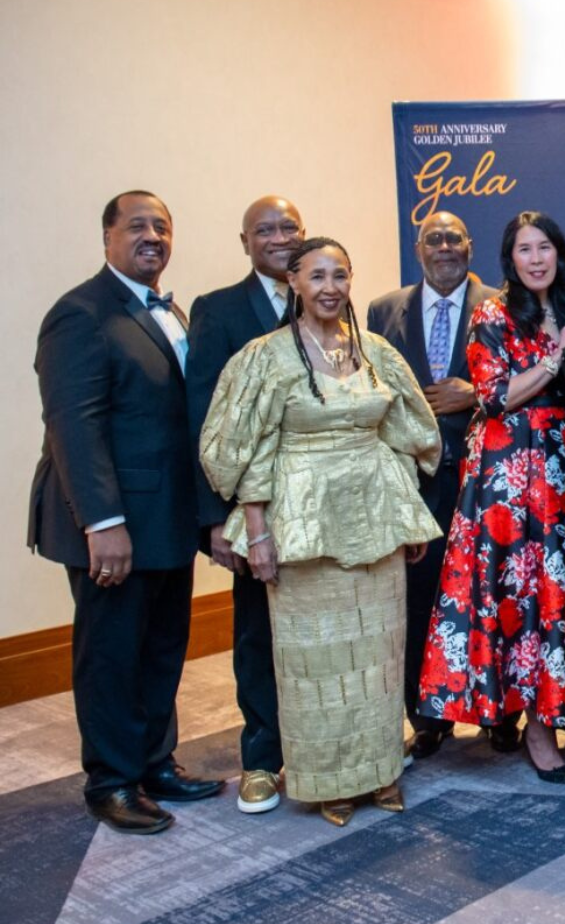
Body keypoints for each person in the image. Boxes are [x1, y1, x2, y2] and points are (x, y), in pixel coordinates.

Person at [200, 236, 443, 827]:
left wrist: (405, 509)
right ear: (295, 285)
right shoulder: (266, 356)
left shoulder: (376, 351)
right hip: (301, 524)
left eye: (340, 274)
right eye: (317, 276)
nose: (330, 287)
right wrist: (256, 530)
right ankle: (328, 779)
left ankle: (379, 770)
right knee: (316, 662)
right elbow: (243, 448)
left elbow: (404, 430)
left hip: (376, 519)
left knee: (380, 655)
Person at [32, 190, 222, 834]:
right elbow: (73, 426)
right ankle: (111, 780)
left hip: (166, 518)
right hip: (112, 524)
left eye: (162, 227)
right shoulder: (81, 313)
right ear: (107, 237)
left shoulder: (170, 311)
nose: (152, 236)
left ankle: (154, 762)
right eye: (137, 225)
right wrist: (101, 523)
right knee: (112, 652)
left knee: (163, 645)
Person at [418, 211, 565, 784]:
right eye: (523, 250)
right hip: (509, 474)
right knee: (524, 596)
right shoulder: (493, 312)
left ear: (560, 252)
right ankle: (536, 725)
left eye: (544, 248)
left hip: (564, 467)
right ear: (509, 259)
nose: (535, 259)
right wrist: (554, 358)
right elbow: (494, 394)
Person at [366, 211, 515, 762]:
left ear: (471, 245)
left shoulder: (503, 302)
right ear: (419, 247)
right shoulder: (384, 309)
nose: (446, 247)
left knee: (494, 598)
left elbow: (528, 382)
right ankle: (426, 717)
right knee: (422, 602)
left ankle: (501, 714)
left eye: (456, 237)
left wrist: (475, 393)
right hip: (414, 483)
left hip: (487, 479)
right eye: (435, 238)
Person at [186, 195, 305, 815]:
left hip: (323, 507)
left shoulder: (326, 303)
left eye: (289, 227)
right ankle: (262, 757)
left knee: (320, 635)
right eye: (266, 230)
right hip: (253, 511)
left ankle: (322, 749)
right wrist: (215, 520)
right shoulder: (219, 310)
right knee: (258, 634)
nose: (279, 237)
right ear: (245, 242)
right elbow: (204, 420)